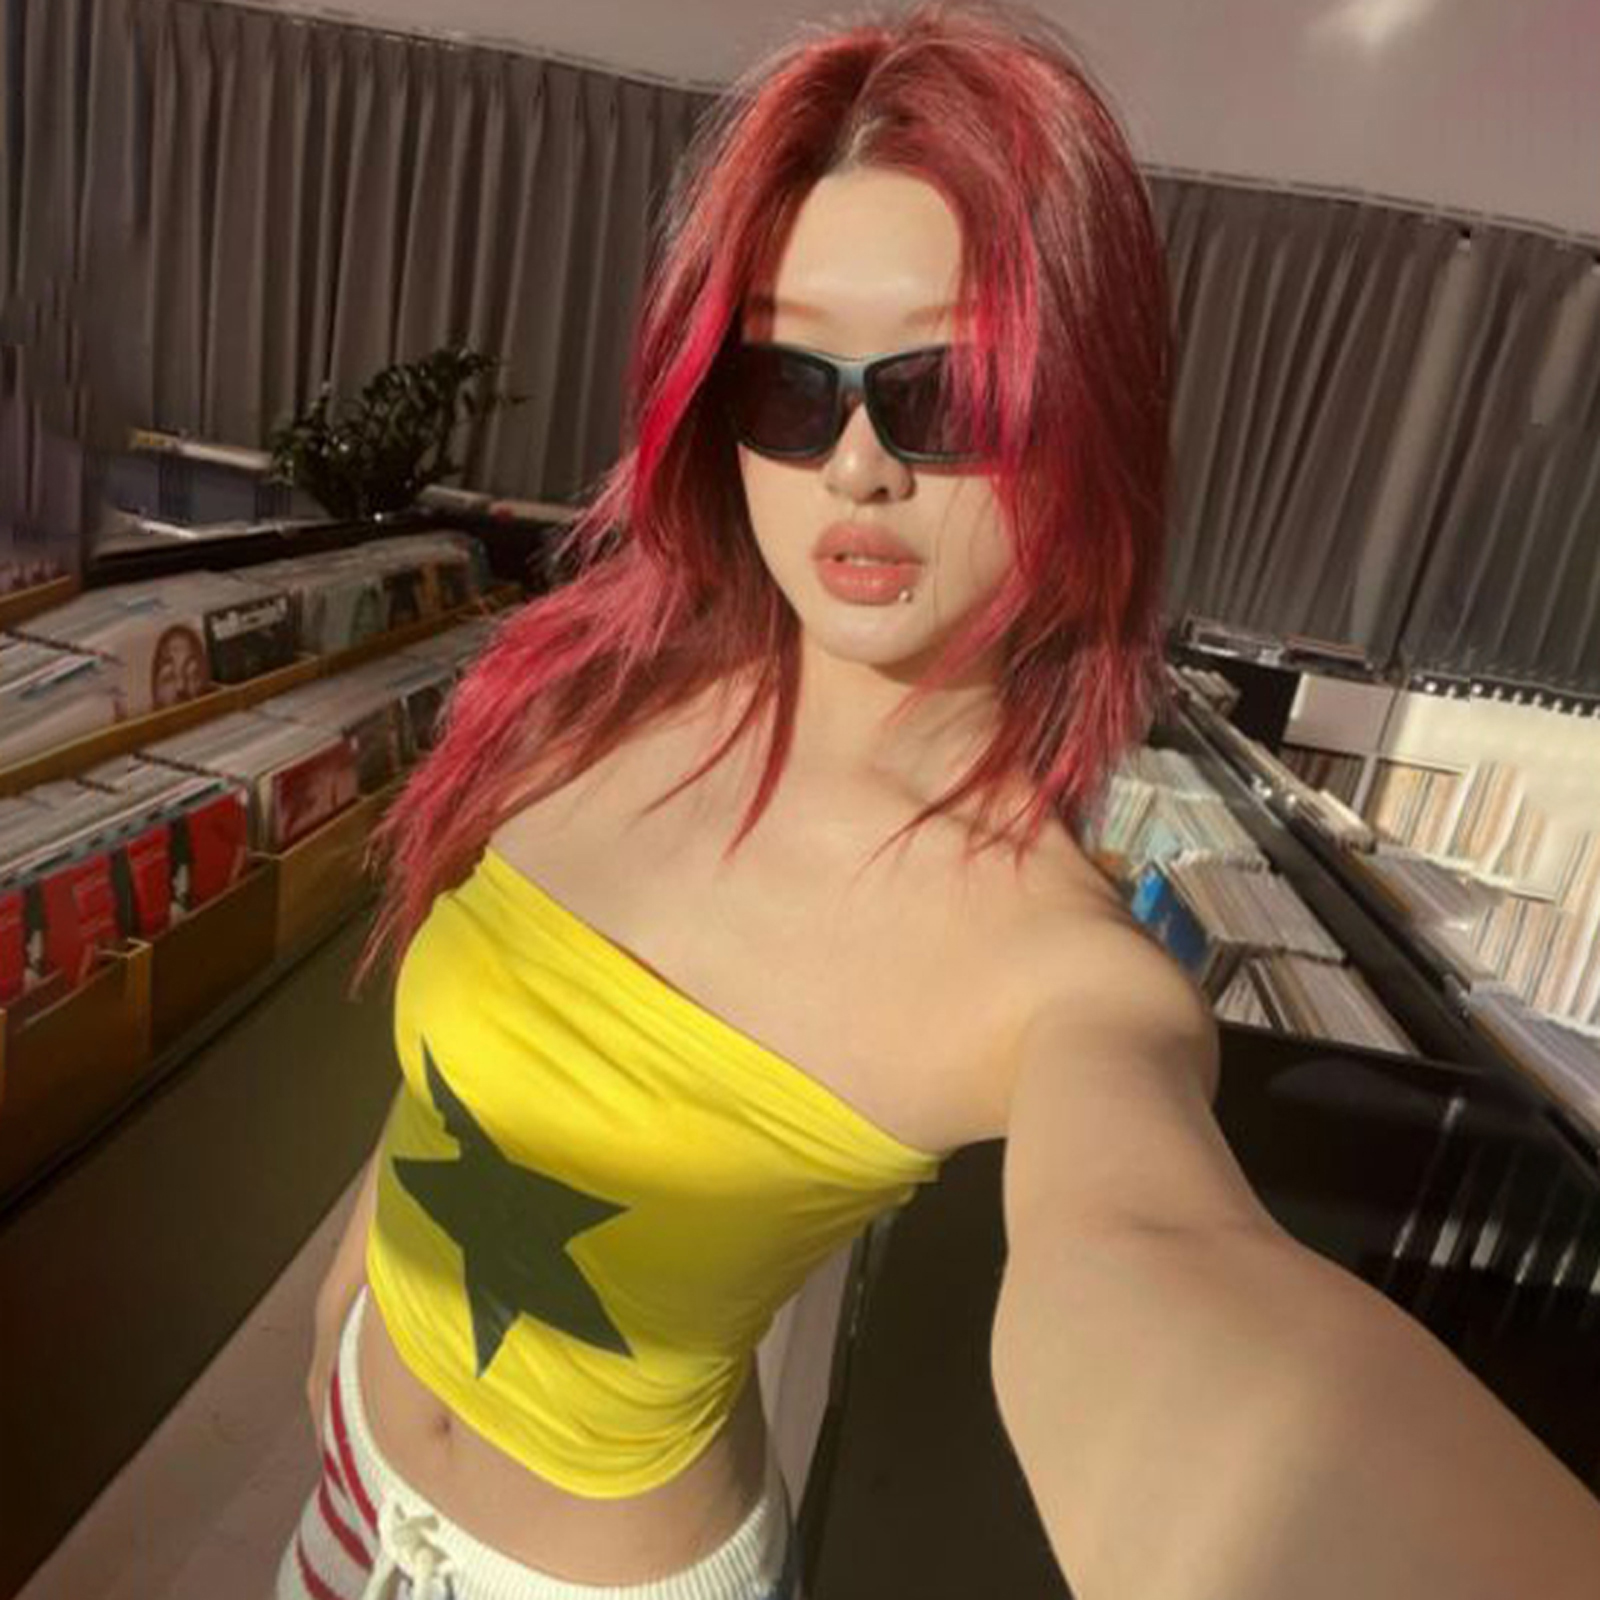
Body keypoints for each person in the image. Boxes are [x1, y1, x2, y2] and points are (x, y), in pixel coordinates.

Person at [275, 4, 1600, 1599]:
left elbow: (1159, 1269)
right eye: (789, 383)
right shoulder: (593, 693)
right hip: (346, 1470)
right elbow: (448, 1086)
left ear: (1083, 416)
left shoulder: (1061, 979)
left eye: (949, 391)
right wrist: (349, 1297)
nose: (856, 466)